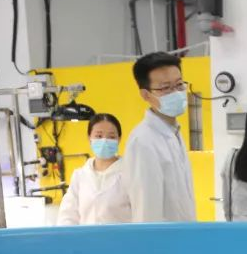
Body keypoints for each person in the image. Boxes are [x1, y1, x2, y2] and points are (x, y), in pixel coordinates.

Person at [122, 52, 196, 223]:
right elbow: (146, 211)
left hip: (183, 234)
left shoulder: (174, 132)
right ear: (146, 95)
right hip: (161, 238)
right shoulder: (143, 141)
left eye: (179, 85)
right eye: (165, 88)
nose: (176, 93)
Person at [56, 113, 131, 226]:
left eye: (111, 137)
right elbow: (67, 215)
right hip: (86, 237)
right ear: (89, 138)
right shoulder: (80, 176)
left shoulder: (130, 173)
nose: (104, 141)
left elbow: (141, 213)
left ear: (119, 139)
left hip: (121, 237)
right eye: (99, 136)